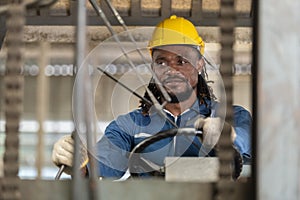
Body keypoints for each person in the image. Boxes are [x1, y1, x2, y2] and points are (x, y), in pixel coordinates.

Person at [52, 15, 252, 179]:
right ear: (153, 68)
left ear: (199, 64)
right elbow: (104, 162)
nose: (172, 70)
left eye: (181, 61)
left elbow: (247, 138)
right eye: (162, 62)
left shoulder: (230, 115)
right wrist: (80, 163)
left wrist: (229, 135)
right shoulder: (130, 126)